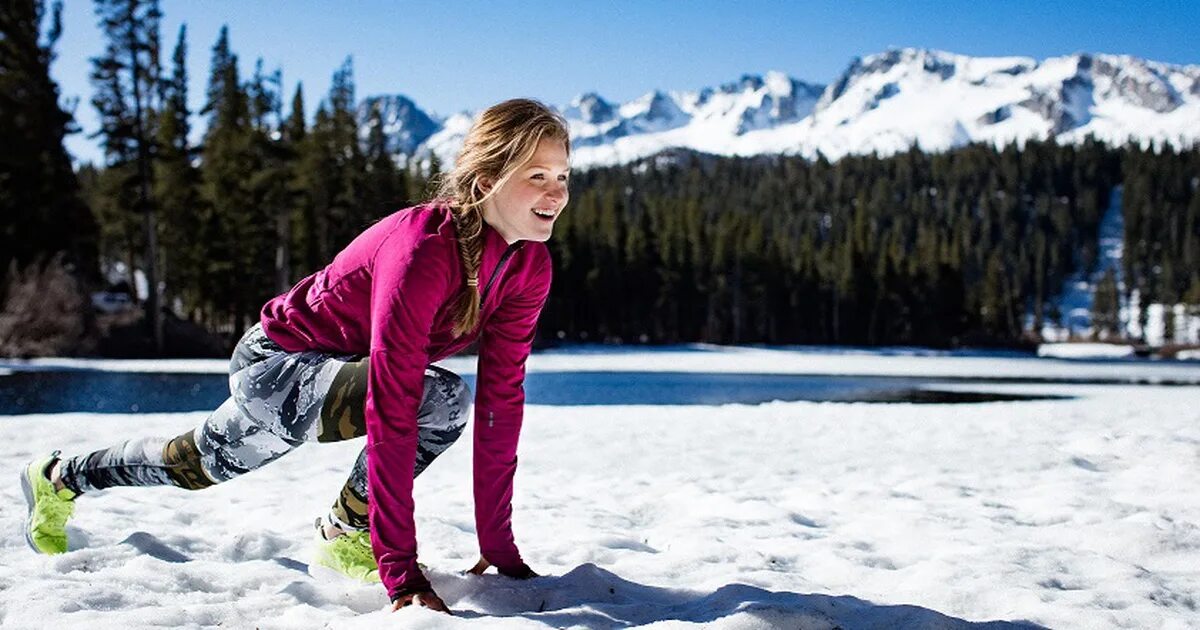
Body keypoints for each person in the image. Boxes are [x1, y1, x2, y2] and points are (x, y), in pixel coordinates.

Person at [19, 98, 572, 614]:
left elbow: (503, 399)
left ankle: (64, 477)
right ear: (486, 181)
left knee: (196, 464)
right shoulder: (425, 247)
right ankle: (348, 534)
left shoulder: (529, 267)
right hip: (277, 365)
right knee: (438, 397)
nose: (556, 193)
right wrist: (400, 574)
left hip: (332, 379)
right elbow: (394, 397)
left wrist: (501, 548)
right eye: (537, 176)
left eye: (564, 177)